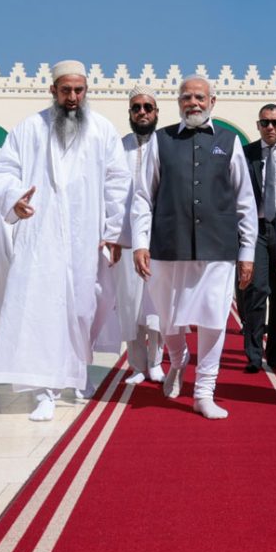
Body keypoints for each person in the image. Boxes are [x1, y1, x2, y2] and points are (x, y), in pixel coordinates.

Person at [0, 60, 130, 422]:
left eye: (79, 90)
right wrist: (14, 199)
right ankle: (45, 390)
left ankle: (78, 370)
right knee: (43, 309)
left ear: (86, 91)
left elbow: (117, 181)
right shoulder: (30, 128)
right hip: (42, 234)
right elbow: (4, 170)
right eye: (65, 90)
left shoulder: (101, 130)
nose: (72, 97)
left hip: (88, 237)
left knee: (86, 307)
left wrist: (115, 231)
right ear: (53, 90)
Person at [133, 76, 257, 420]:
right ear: (178, 103)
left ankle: (204, 392)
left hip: (217, 247)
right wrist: (140, 243)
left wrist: (247, 253)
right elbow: (143, 196)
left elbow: (244, 201)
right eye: (186, 97)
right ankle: (177, 358)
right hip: (167, 244)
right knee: (167, 313)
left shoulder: (229, 142)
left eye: (200, 97)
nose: (193, 103)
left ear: (212, 101)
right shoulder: (162, 140)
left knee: (214, 316)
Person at [114, 85, 166, 385]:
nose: (143, 112)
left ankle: (156, 362)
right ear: (131, 113)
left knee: (156, 303)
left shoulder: (165, 145)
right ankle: (136, 365)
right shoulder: (118, 147)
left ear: (156, 112)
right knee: (129, 302)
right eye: (137, 108)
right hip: (126, 236)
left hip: (158, 238)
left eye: (148, 107)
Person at [239, 104, 276, 372]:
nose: (270, 127)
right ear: (258, 125)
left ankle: (275, 354)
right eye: (265, 122)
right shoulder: (245, 154)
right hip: (255, 230)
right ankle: (253, 354)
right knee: (256, 291)